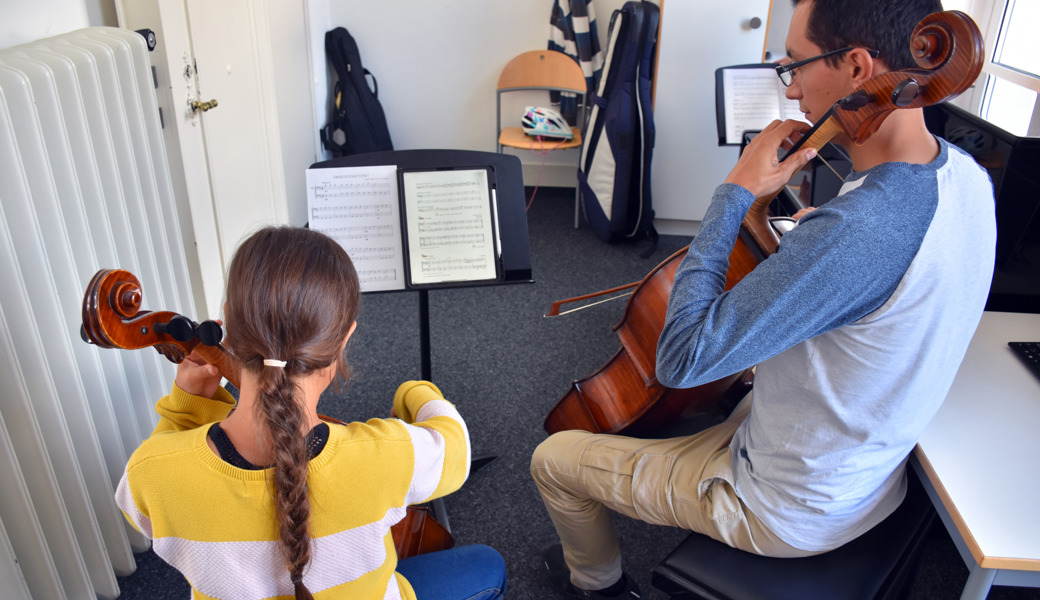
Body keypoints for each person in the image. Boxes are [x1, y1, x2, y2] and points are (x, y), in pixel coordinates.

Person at [530, 0, 996, 597]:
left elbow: (681, 362)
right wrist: (815, 242)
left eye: (797, 63)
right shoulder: (965, 173)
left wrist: (732, 194)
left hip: (791, 507)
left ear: (858, 68)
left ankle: (597, 585)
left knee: (556, 460)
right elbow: (886, 275)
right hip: (872, 467)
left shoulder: (858, 230)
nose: (790, 79)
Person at [115, 226, 506, 600]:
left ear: (227, 325)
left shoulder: (151, 473)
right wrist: (414, 391)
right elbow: (455, 445)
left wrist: (187, 410)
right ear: (344, 339)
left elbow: (146, 512)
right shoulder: (388, 456)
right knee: (488, 566)